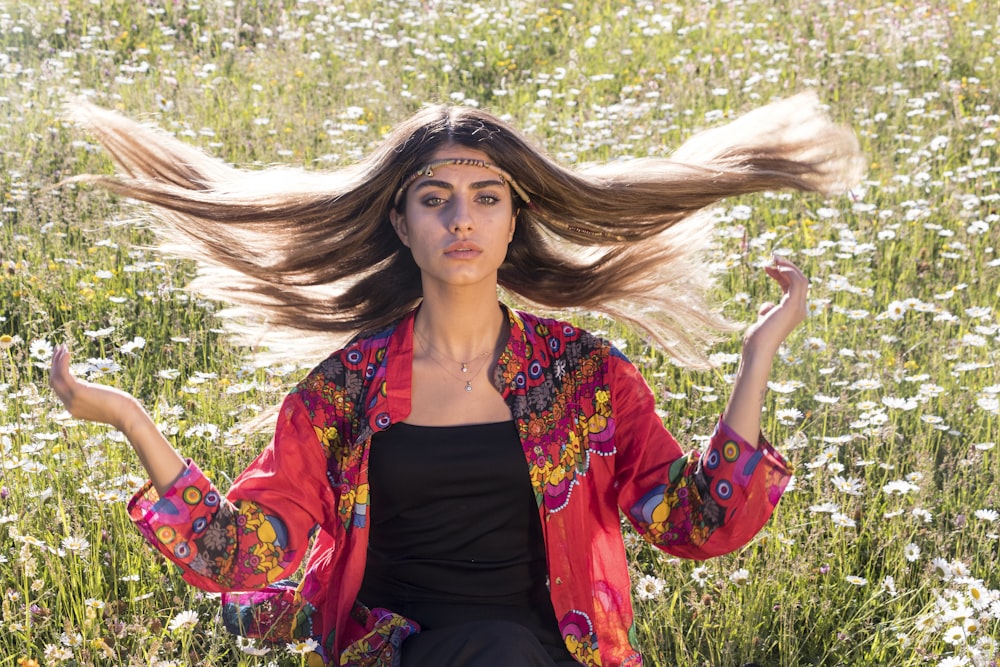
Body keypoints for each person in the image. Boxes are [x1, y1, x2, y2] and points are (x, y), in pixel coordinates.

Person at [49, 92, 863, 666]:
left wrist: (756, 359)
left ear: (516, 219)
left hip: (548, 649)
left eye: (486, 197)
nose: (461, 218)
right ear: (402, 223)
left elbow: (695, 522)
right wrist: (130, 419)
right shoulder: (344, 393)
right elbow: (244, 554)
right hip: (395, 649)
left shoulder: (583, 378)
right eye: (435, 199)